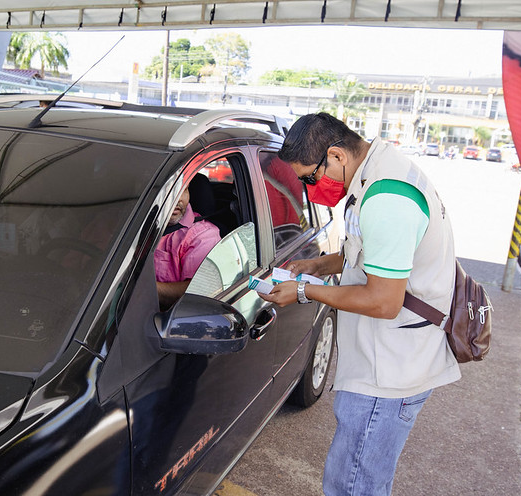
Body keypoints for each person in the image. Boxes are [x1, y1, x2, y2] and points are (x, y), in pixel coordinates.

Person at [259, 113, 461, 495]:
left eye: (309, 178)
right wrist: (319, 265)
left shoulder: (387, 199)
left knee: (354, 484)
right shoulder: (377, 170)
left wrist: (304, 291)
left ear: (336, 156)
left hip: (389, 371)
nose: (309, 189)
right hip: (385, 357)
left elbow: (384, 301)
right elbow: (372, 253)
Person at [155, 180, 221, 308]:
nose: (178, 198)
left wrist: (138, 288)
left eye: (184, 189)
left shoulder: (203, 236)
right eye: (170, 190)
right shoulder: (135, 225)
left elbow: (199, 293)